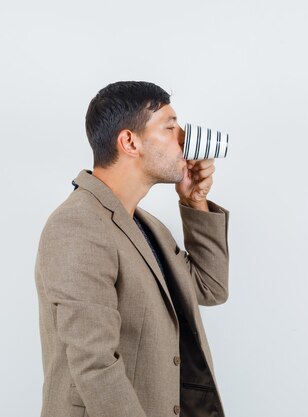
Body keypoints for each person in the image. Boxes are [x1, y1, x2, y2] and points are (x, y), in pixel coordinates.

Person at [34, 81, 230, 417]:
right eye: (170, 128)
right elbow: (95, 367)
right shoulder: (77, 225)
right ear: (129, 141)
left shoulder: (146, 225)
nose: (184, 139)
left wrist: (194, 201)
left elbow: (210, 289)